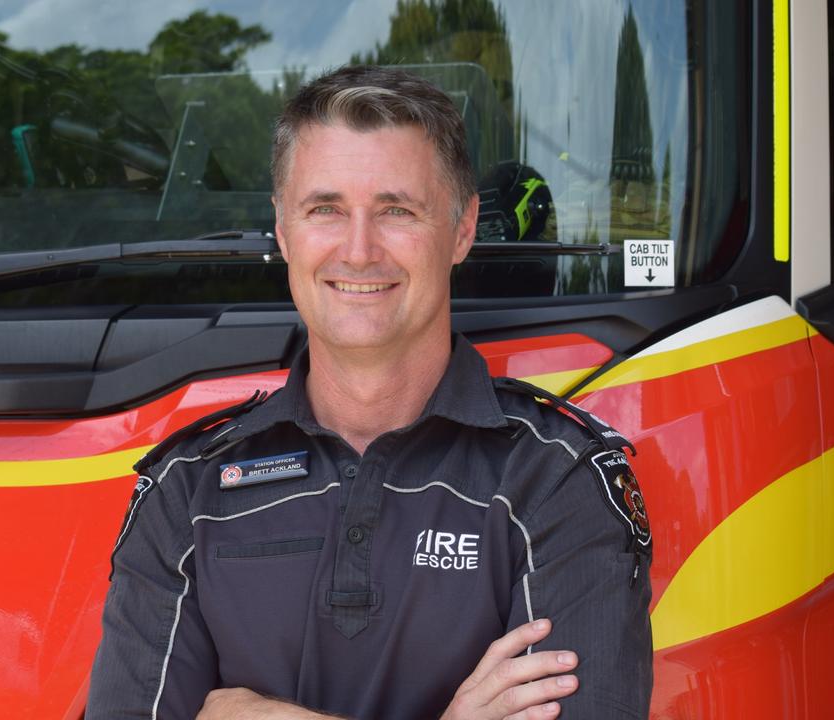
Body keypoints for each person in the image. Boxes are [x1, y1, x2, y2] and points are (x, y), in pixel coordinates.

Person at [88, 65, 653, 720]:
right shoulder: (187, 492)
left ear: (463, 229)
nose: (358, 251)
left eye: (396, 211)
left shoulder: (555, 481)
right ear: (283, 229)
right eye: (325, 209)